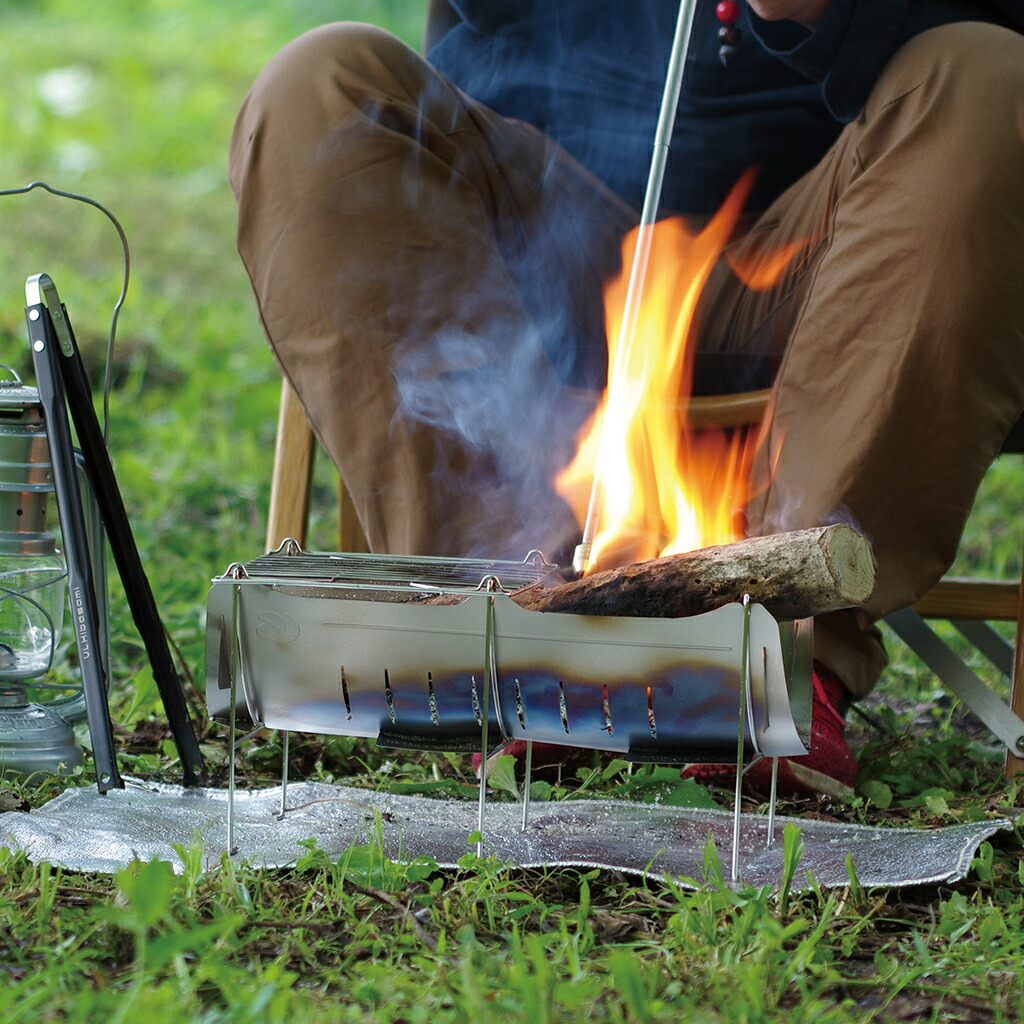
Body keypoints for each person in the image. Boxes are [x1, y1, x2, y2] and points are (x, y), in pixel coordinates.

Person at [228, 1, 1024, 797]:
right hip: (538, 240)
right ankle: (518, 636)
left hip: (853, 238)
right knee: (317, 85)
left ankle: (784, 657)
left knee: (990, 75)